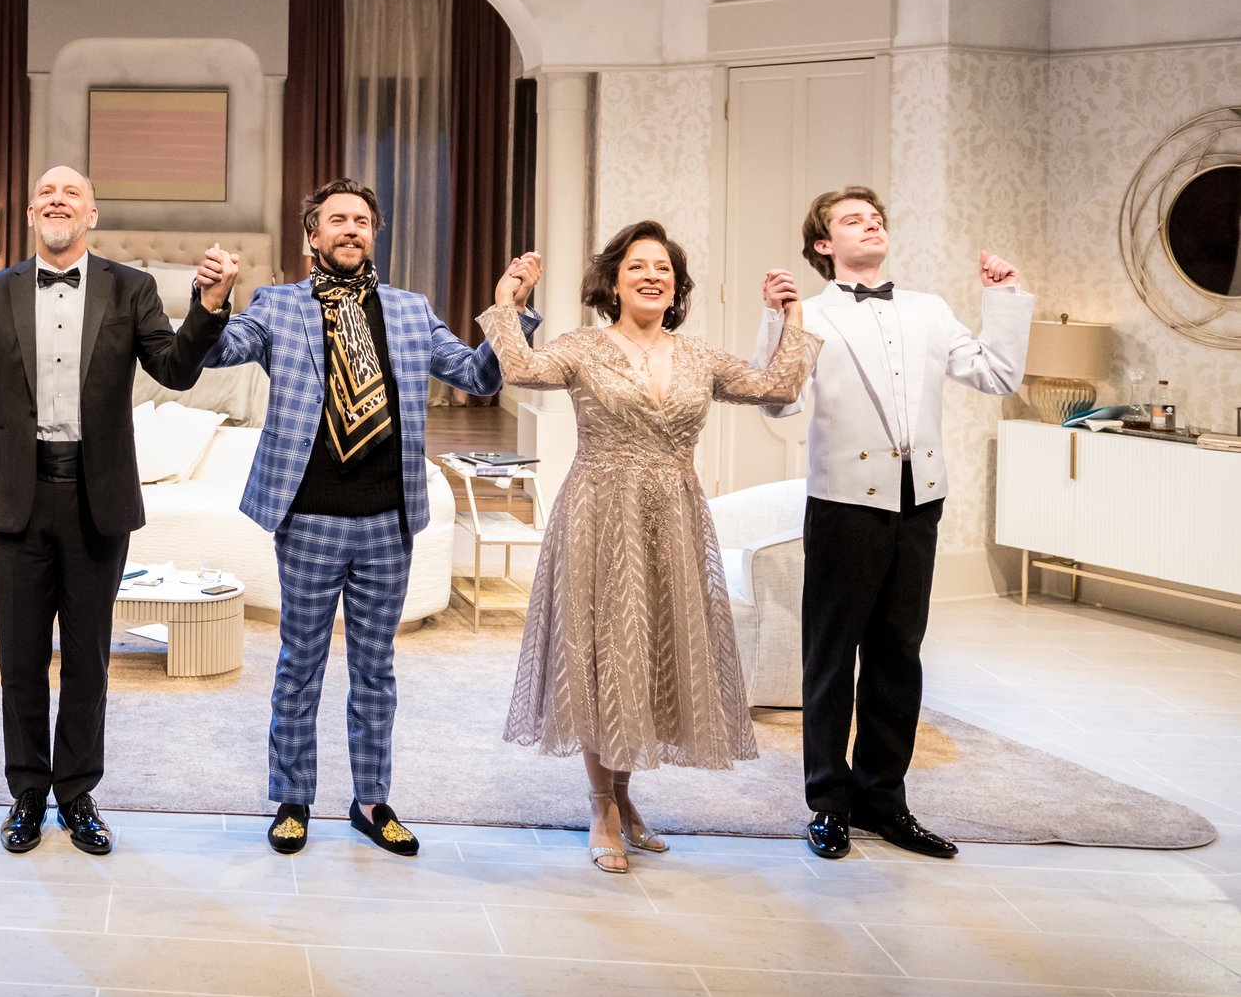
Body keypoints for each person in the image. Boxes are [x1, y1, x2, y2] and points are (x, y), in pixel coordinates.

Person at [0, 167, 236, 857]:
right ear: (29, 213)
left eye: (70, 193)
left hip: (95, 496)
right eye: (46, 193)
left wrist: (209, 304)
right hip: (17, 498)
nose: (56, 200)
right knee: (19, 659)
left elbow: (175, 368)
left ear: (91, 214)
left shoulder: (129, 288)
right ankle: (26, 794)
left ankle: (77, 794)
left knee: (87, 658)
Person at [207, 177, 538, 858]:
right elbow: (215, 352)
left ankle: (371, 800)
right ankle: (293, 799)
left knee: (376, 669)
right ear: (313, 237)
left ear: (373, 232)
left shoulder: (412, 311)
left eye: (361, 219)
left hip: (388, 519)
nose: (350, 229)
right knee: (299, 664)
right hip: (310, 517)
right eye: (336, 219)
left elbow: (478, 376)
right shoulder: (277, 305)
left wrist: (508, 310)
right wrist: (212, 302)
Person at [481, 226, 814, 872]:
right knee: (605, 656)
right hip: (598, 515)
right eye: (638, 266)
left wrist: (790, 317)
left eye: (663, 267)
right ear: (613, 281)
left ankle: (627, 796)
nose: (652, 275)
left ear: (677, 286)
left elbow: (776, 386)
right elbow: (519, 367)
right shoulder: (582, 346)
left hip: (673, 519)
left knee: (651, 657)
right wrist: (508, 300)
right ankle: (600, 801)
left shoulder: (699, 357)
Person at [755, 187, 1030, 861]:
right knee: (830, 657)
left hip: (919, 500)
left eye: (874, 216)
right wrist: (776, 321)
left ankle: (885, 799)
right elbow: (779, 407)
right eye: (852, 218)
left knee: (897, 657)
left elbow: (996, 374)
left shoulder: (929, 309)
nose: (870, 222)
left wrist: (1004, 296)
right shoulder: (812, 314)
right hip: (845, 502)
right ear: (823, 244)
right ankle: (828, 804)